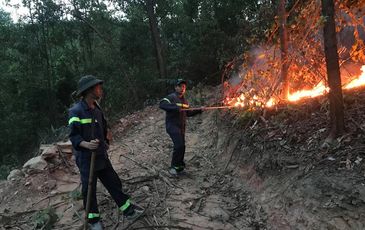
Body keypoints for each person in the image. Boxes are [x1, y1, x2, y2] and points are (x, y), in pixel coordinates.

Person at [68, 75, 143, 230]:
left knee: (114, 182)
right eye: (97, 87)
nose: (100, 89)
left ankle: (128, 210)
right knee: (89, 190)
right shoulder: (76, 111)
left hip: (101, 155)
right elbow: (74, 136)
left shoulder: (97, 109)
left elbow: (103, 127)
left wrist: (106, 141)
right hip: (86, 159)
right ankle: (93, 220)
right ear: (88, 91)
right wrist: (86, 145)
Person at [159, 79, 203, 176]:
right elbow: (162, 104)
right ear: (176, 87)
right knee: (178, 146)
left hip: (181, 127)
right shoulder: (171, 97)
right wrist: (175, 108)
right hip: (172, 126)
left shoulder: (185, 101)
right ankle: (173, 168)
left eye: (184, 87)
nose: (182, 88)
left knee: (182, 147)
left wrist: (199, 110)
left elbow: (188, 113)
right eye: (180, 86)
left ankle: (180, 168)